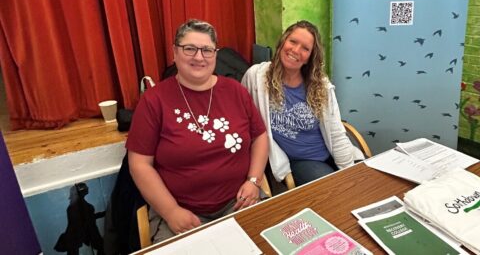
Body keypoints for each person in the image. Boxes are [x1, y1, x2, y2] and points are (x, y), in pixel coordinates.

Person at [126, 19, 269, 243]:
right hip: (182, 213)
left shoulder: (235, 91)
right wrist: (171, 211)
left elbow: (259, 136)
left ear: (215, 54)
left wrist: (254, 180)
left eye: (207, 50)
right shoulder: (154, 101)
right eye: (190, 48)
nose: (199, 57)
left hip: (240, 201)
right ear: (175, 52)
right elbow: (139, 165)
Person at [242, 20, 363, 186]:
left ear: (310, 57)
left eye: (305, 48)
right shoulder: (256, 77)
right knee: (332, 187)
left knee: (361, 182)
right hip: (301, 161)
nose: (296, 50)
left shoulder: (320, 84)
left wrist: (348, 171)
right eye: (292, 42)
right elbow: (244, 117)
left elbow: (335, 132)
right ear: (282, 42)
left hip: (330, 152)